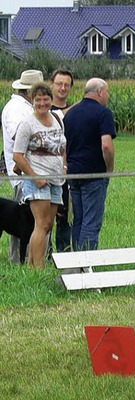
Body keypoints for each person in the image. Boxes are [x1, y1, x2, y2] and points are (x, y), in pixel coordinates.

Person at [12, 83, 66, 269]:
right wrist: (35, 177)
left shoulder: (58, 119)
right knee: (41, 224)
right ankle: (38, 267)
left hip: (56, 180)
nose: (42, 103)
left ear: (51, 100)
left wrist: (64, 165)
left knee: (49, 225)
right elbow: (17, 156)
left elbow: (62, 146)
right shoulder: (27, 124)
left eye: (46, 99)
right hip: (37, 181)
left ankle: (31, 265)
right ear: (33, 101)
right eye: (38, 100)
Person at [64, 78, 116, 251]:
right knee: (91, 222)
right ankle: (86, 263)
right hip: (94, 174)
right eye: (107, 92)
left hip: (74, 174)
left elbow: (64, 145)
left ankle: (75, 262)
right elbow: (106, 145)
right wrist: (109, 169)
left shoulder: (70, 114)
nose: (108, 96)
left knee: (78, 220)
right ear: (100, 92)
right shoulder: (103, 113)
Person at [1, 69, 44, 264]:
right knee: (20, 220)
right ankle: (16, 259)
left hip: (31, 171)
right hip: (23, 172)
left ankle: (27, 257)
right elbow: (17, 135)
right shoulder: (16, 108)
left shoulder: (25, 106)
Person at [49, 69, 75, 253]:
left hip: (67, 170)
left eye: (67, 84)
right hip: (45, 171)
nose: (63, 88)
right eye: (59, 83)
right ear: (52, 84)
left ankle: (64, 252)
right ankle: (45, 253)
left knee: (65, 214)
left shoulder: (75, 113)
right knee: (44, 216)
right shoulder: (43, 109)